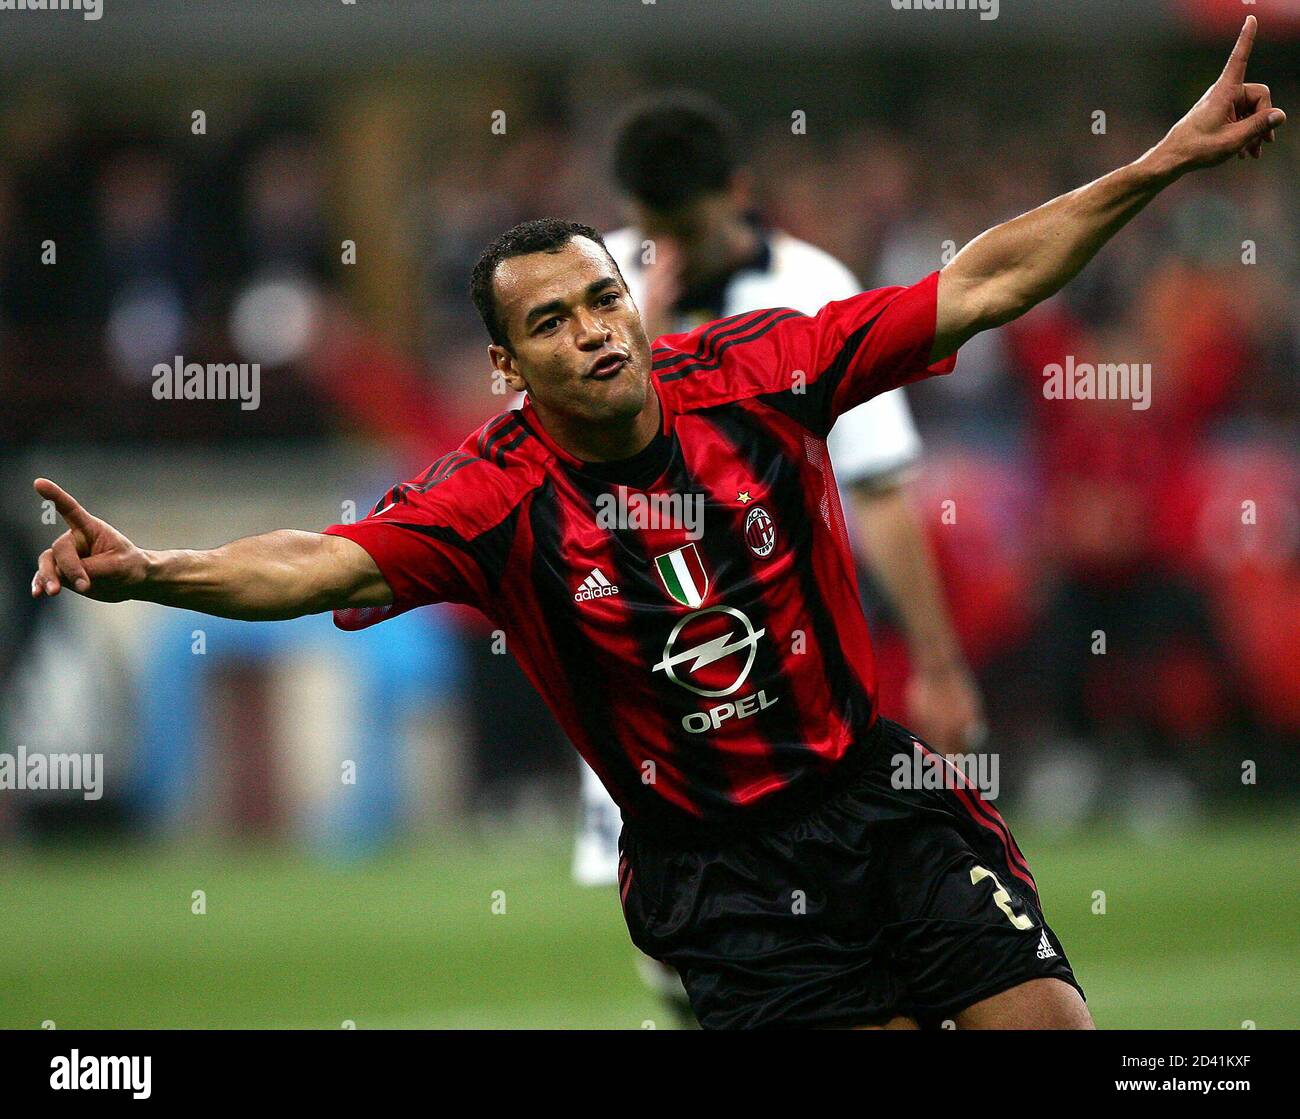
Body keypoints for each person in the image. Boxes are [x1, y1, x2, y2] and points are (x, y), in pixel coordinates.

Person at [31, 18, 1281, 1028]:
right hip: (721, 875)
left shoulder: (762, 369)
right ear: (508, 367)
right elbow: (315, 563)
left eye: (603, 298)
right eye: (552, 321)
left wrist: (1158, 164)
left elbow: (983, 281)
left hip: (879, 796)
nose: (594, 330)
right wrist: (152, 575)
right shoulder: (489, 494)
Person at [573, 92, 985, 1025]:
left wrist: (941, 659)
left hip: (791, 661)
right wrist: (642, 322)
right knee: (680, 946)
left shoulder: (812, 289)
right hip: (643, 660)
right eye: (650, 227)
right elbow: (538, 463)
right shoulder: (600, 296)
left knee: (849, 930)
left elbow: (881, 483)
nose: (665, 245)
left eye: (686, 226)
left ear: (739, 192)